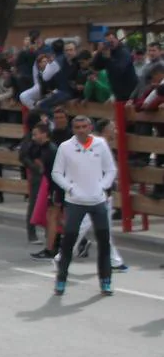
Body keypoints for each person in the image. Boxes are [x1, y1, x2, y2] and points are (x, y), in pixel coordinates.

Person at [50, 115, 118, 296]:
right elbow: (57, 173)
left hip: (97, 201)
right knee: (68, 241)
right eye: (77, 127)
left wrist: (102, 186)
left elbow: (111, 169)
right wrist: (70, 188)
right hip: (75, 202)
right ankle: (61, 280)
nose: (81, 130)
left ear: (90, 127)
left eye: (84, 126)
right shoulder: (65, 147)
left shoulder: (100, 144)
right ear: (73, 129)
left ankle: (106, 281)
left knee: (104, 242)